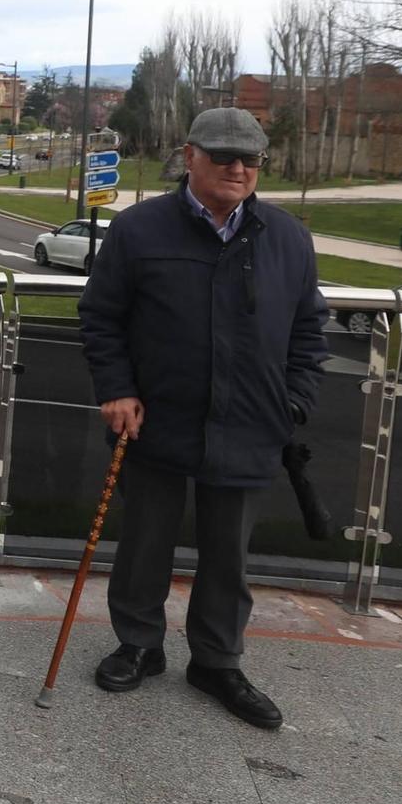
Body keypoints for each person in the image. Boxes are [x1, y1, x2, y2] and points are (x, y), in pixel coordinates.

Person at [78, 108, 328, 729]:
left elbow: (309, 331)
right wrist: (117, 389)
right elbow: (101, 317)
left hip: (250, 424)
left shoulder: (289, 238)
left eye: (250, 160)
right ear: (189, 156)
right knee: (144, 544)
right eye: (223, 157)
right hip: (156, 419)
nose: (238, 169)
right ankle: (138, 644)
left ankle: (217, 661)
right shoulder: (139, 230)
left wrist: (292, 401)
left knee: (229, 556)